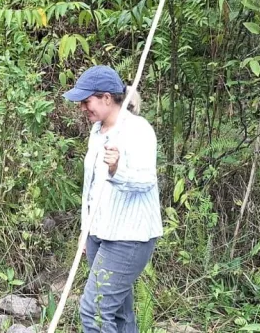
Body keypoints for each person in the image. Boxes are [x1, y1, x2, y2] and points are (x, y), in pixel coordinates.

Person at [63, 65, 162, 333]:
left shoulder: (137, 130)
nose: (83, 107)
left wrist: (118, 170)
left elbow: (146, 181)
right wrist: (86, 230)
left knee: (93, 310)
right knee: (118, 313)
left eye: (87, 101)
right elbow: (91, 187)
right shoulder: (97, 132)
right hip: (99, 232)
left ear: (107, 98)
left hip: (129, 237)